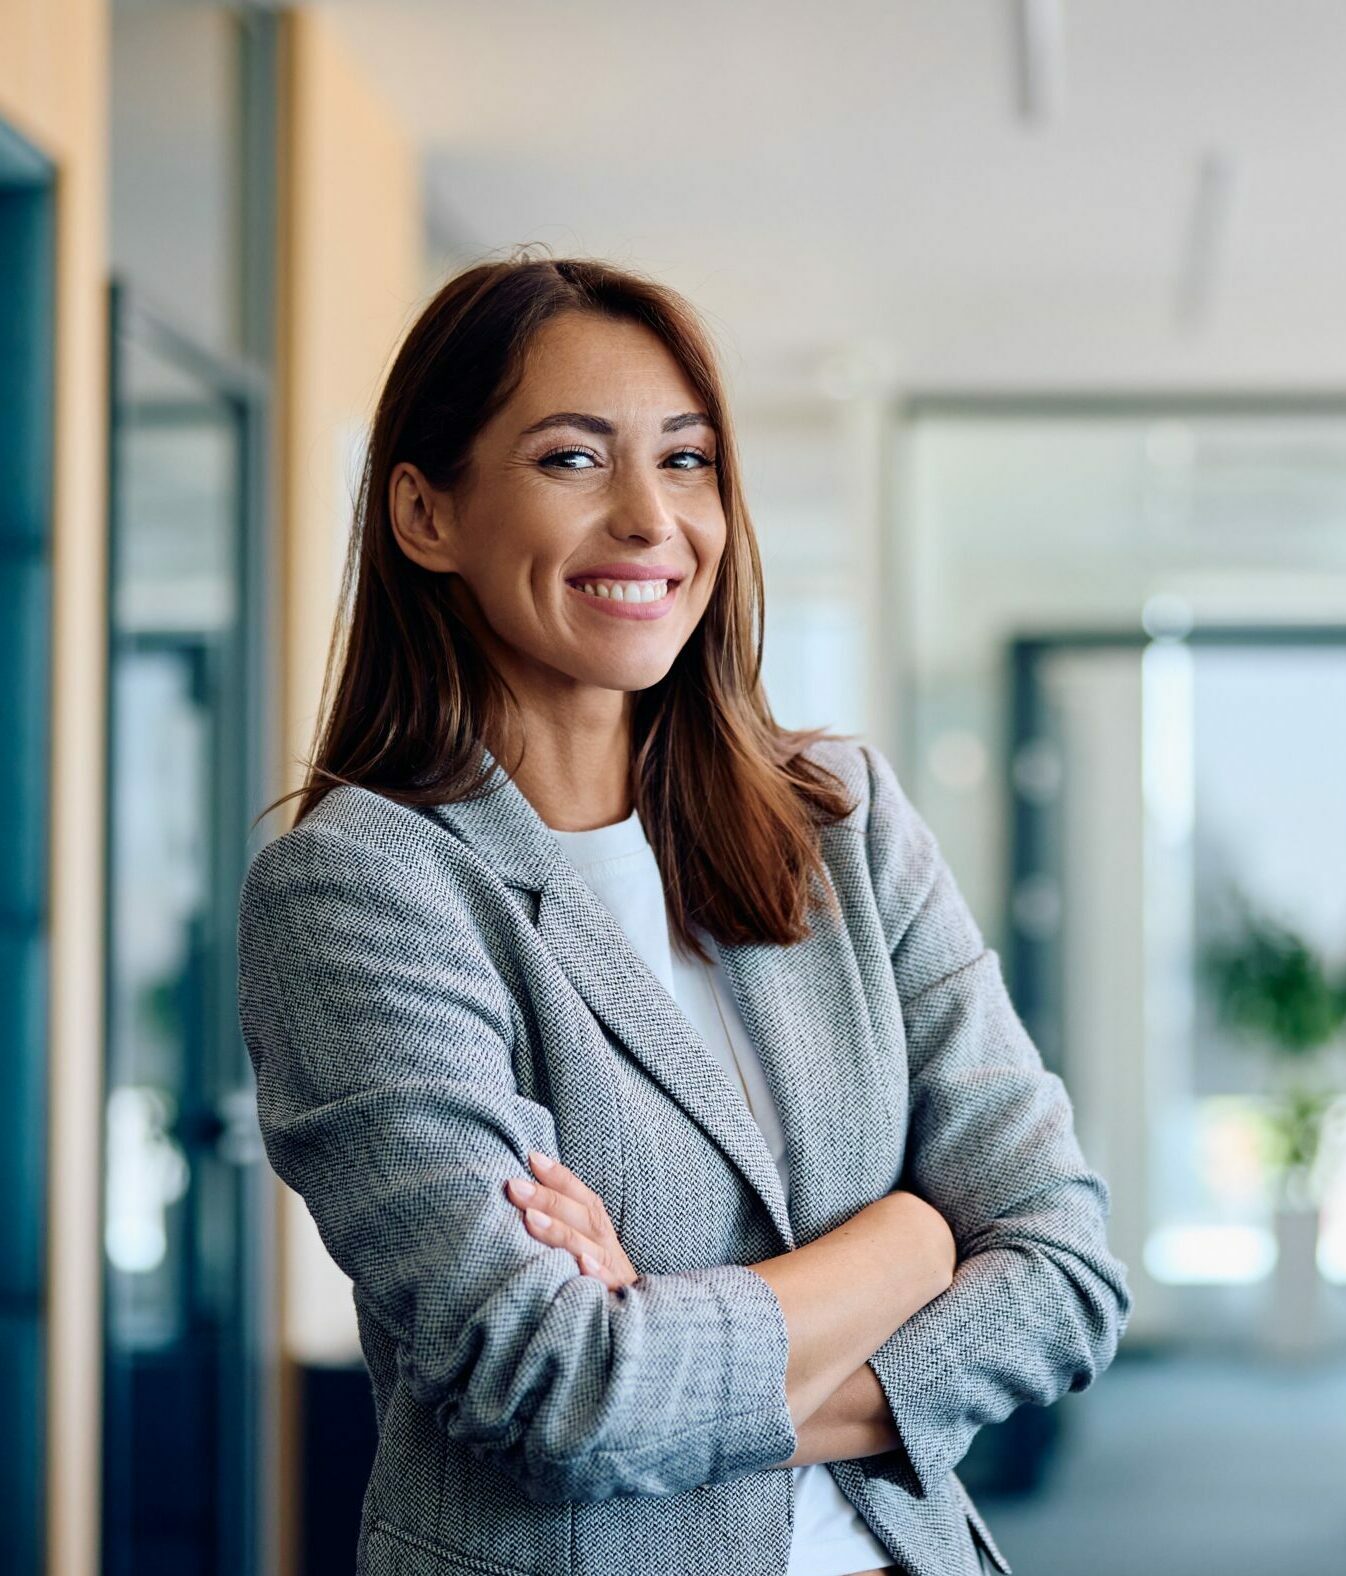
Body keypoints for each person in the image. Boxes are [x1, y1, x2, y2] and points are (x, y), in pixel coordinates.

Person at [236, 250, 1132, 1576]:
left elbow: (1063, 1267)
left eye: (688, 458)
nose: (652, 519)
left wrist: (671, 1358)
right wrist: (917, 1237)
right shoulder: (366, 887)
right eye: (570, 459)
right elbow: (558, 1393)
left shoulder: (840, 821)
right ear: (426, 515)